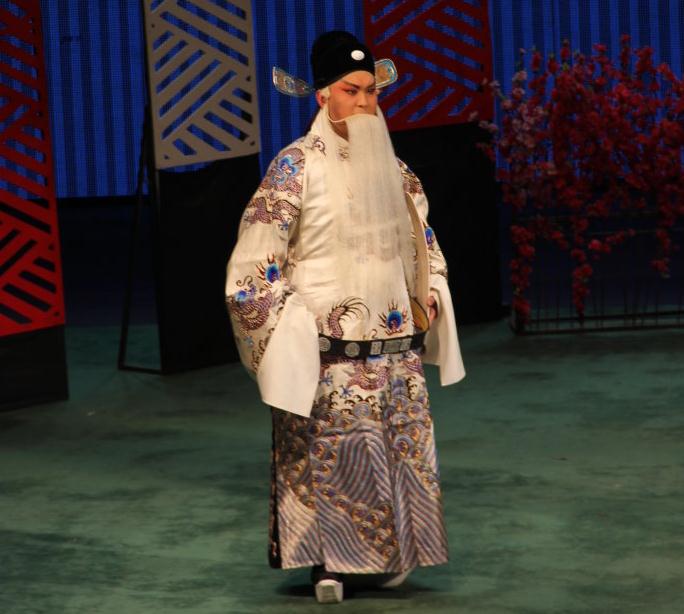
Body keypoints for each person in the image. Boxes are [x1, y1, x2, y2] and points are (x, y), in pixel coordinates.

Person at [225, 30, 465, 604]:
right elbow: (254, 264)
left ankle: (393, 556)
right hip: (327, 349)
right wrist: (291, 326)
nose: (363, 102)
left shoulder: (397, 170)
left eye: (370, 92)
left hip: (394, 345)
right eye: (350, 91)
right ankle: (326, 564)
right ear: (323, 96)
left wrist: (430, 291)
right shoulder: (294, 168)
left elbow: (425, 244)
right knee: (332, 458)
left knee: (396, 453)